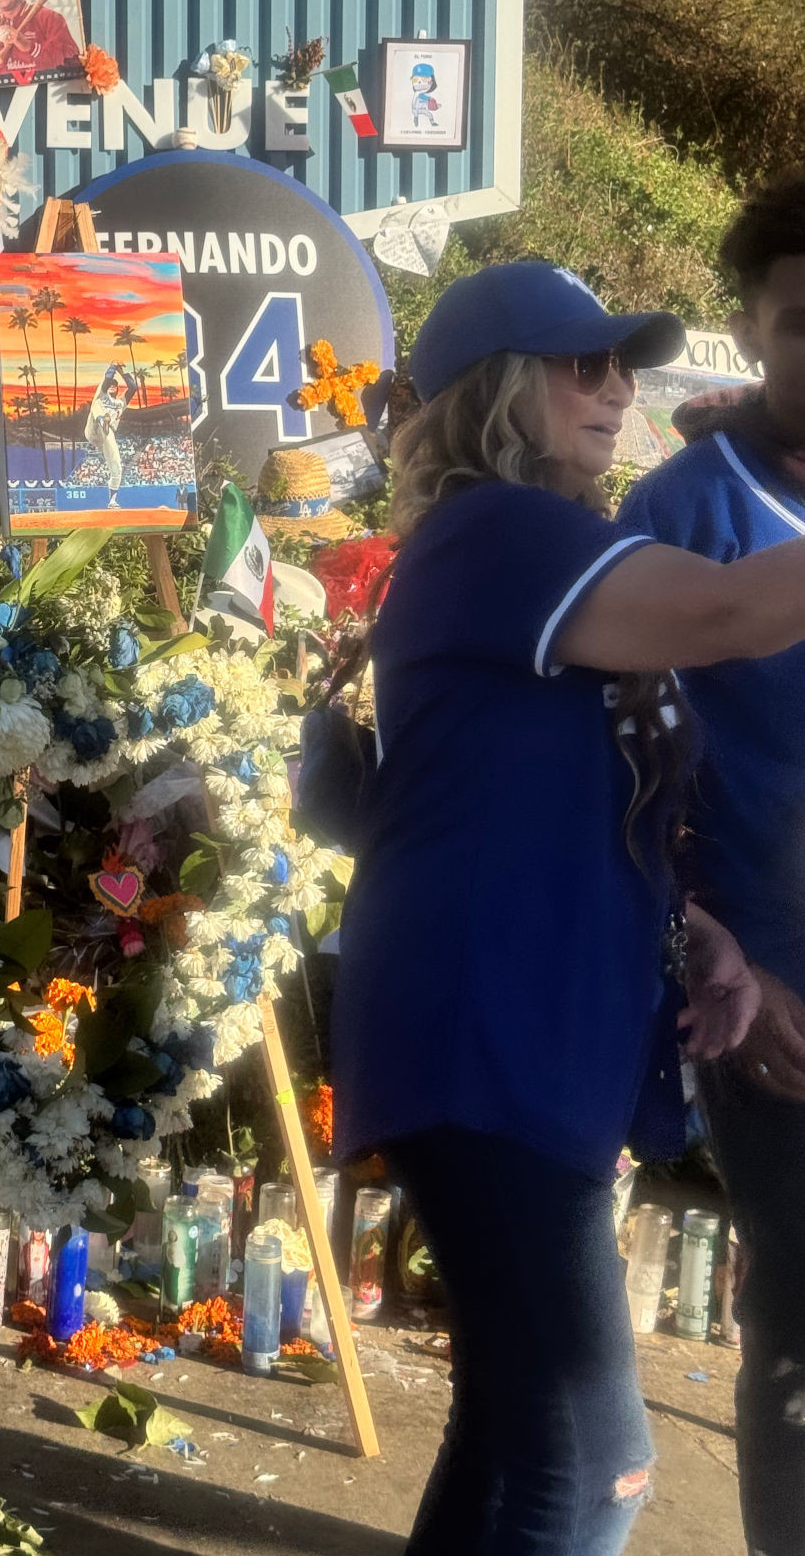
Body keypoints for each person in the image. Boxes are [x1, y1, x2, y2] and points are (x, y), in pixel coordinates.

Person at [329, 258, 805, 1554]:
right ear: (494, 391)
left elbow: (585, 782)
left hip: (519, 1032)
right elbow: (726, 612)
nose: (613, 388)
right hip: (489, 1037)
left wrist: (694, 931)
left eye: (621, 365)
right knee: (595, 1459)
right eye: (579, 363)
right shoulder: (501, 531)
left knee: (512, 1438)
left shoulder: (552, 546)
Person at [618, 172, 805, 1556]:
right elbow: (615, 767)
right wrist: (710, 946)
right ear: (751, 328)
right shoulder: (681, 512)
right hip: (778, 1006)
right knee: (803, 1352)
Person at [84, 363, 136, 503]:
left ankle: (112, 500)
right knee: (97, 403)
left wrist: (122, 371)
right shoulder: (102, 395)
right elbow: (107, 379)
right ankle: (102, 421)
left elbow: (133, 387)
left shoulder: (121, 402)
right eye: (111, 384)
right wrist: (113, 367)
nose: (113, 385)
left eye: (115, 384)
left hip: (107, 434)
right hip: (93, 429)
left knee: (117, 466)